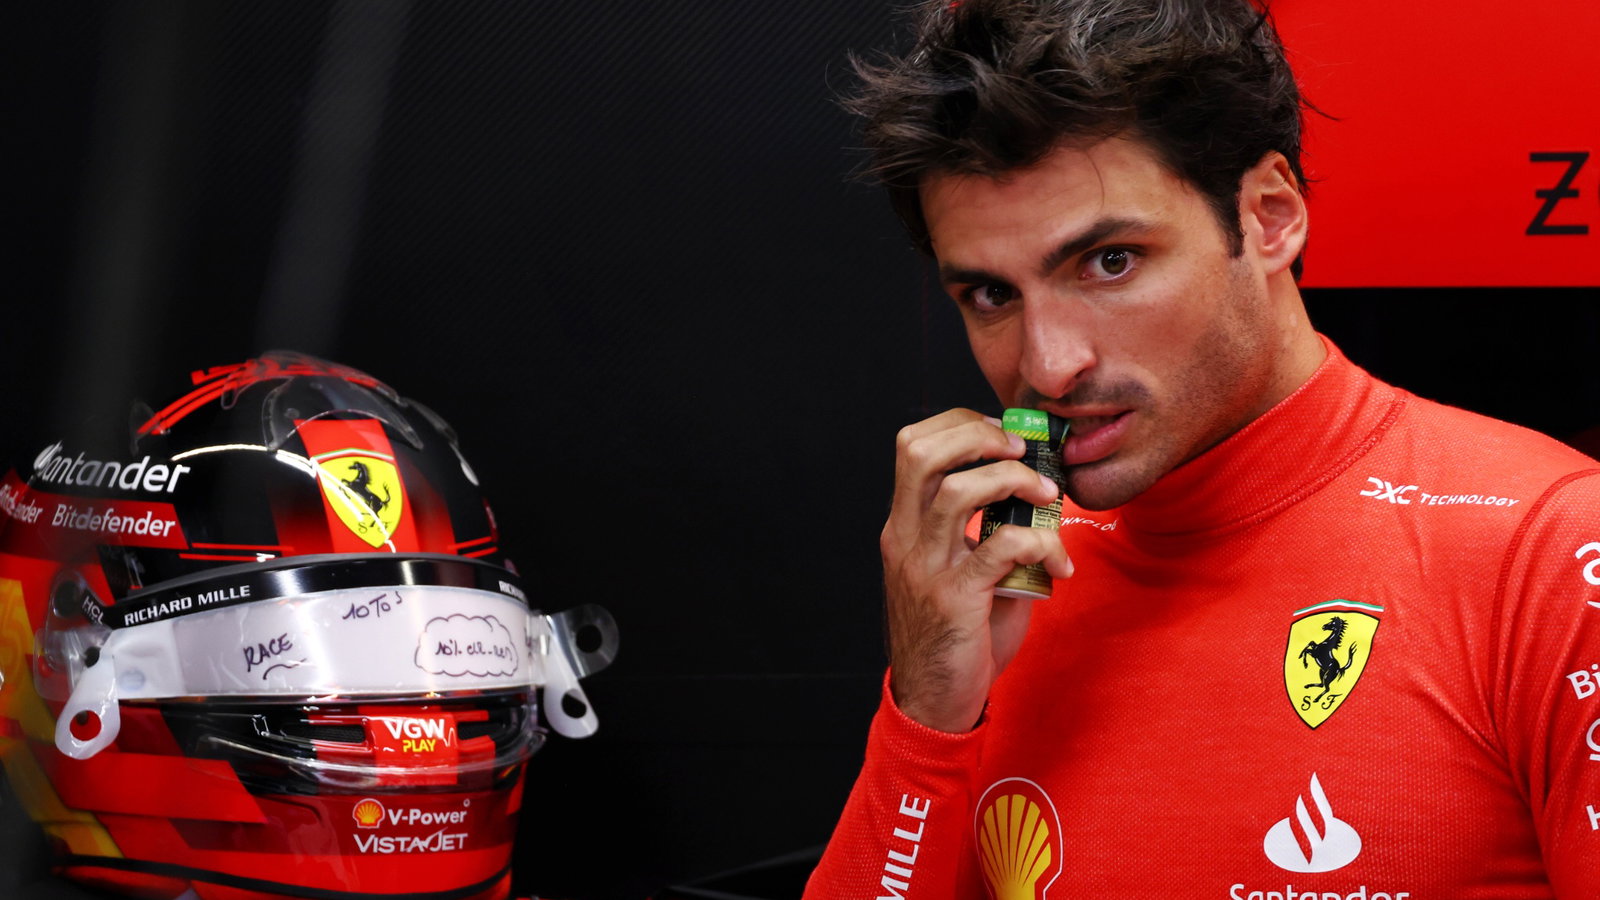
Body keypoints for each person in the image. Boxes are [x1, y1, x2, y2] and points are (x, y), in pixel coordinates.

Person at [805, 1, 1600, 897]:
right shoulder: (998, 575)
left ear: (1268, 216)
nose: (1049, 365)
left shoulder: (1554, 546)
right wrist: (926, 720)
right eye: (992, 293)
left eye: (1110, 262)